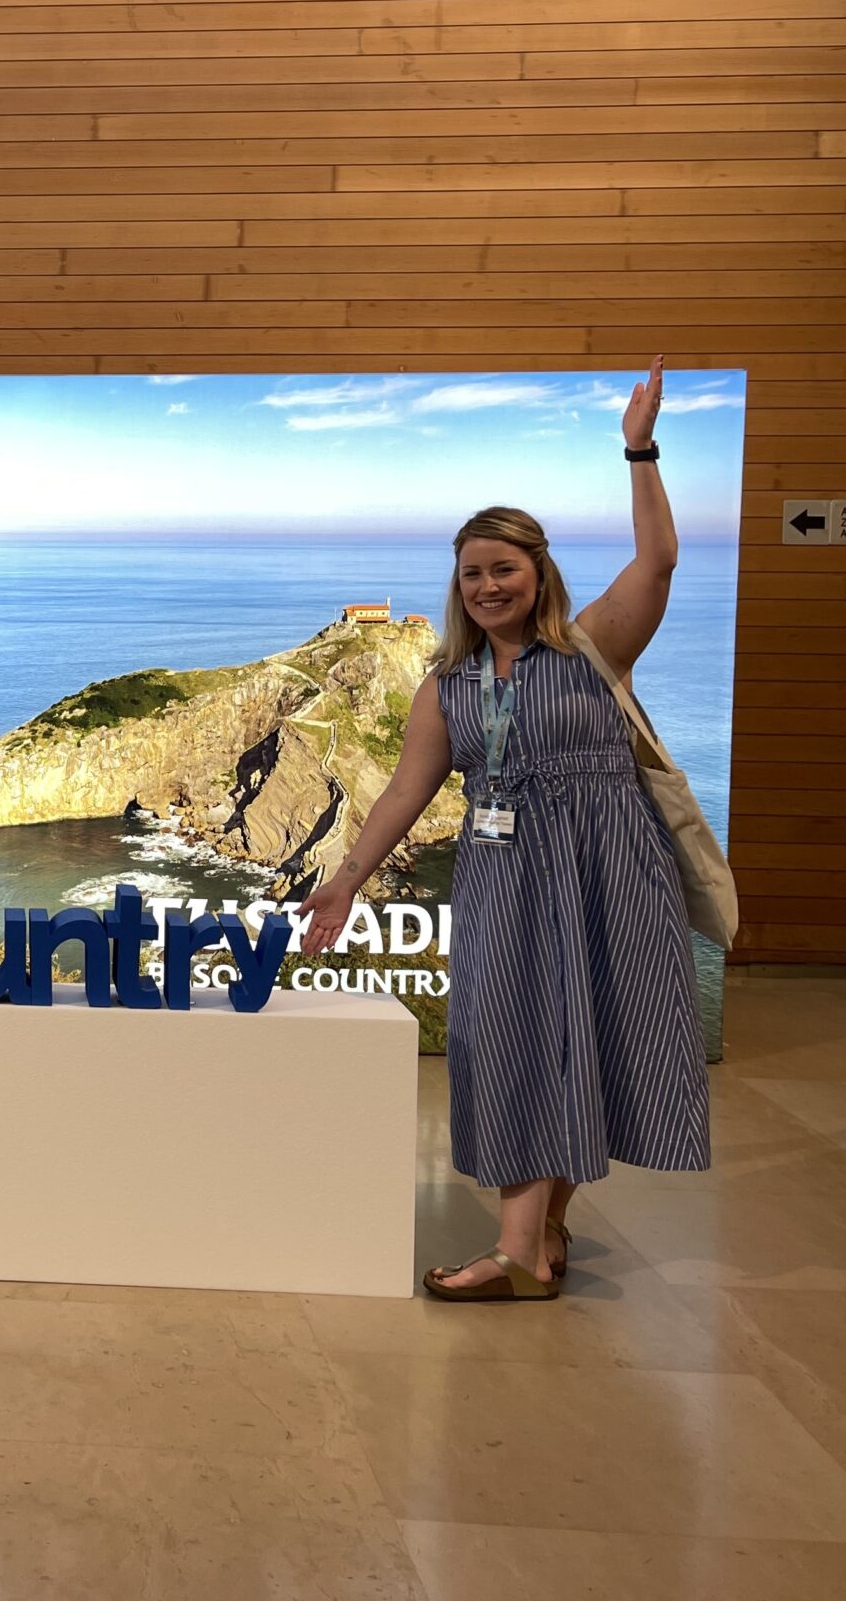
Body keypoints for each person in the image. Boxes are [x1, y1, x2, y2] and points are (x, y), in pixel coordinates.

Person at [301, 356, 708, 1302]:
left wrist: (638, 448)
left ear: (539, 573)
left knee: (594, 1036)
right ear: (457, 587)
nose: (488, 587)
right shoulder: (446, 687)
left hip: (612, 871)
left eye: (505, 569)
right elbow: (405, 792)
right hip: (507, 881)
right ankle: (539, 1234)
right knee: (519, 1038)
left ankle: (529, 1245)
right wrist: (347, 878)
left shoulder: (598, 645)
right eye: (473, 574)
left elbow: (659, 561)